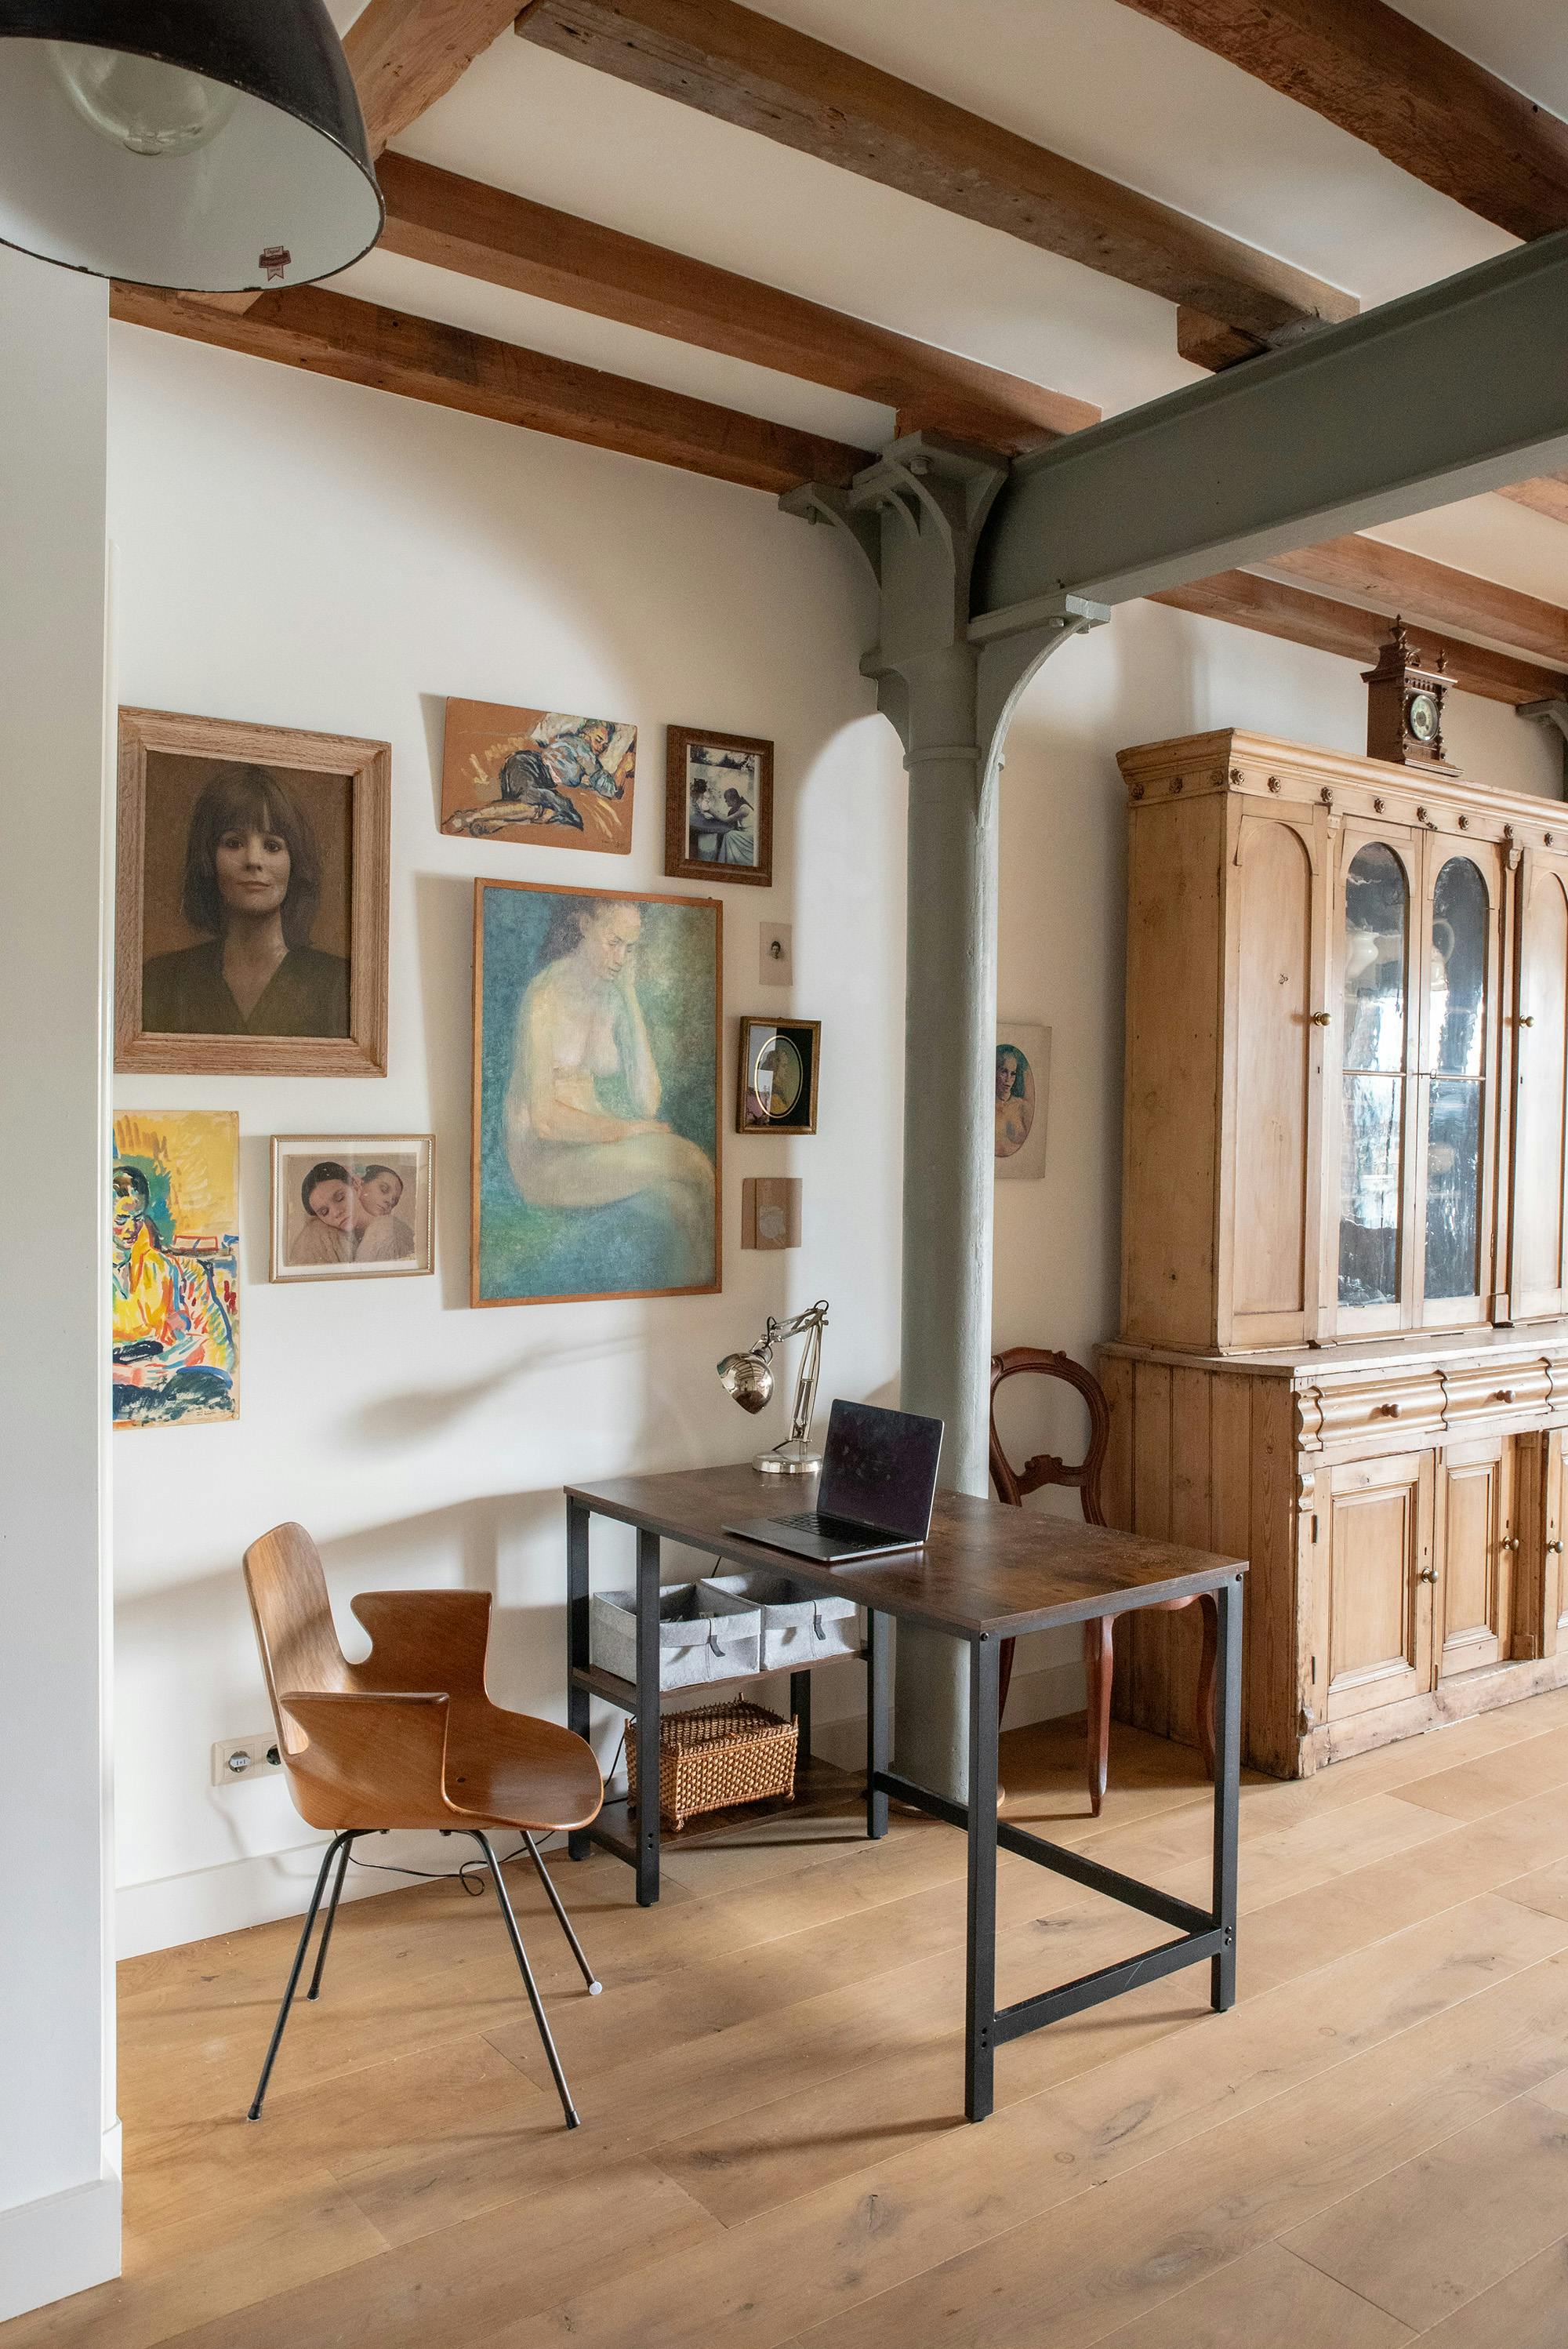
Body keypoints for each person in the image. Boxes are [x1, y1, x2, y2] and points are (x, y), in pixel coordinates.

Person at [503, 896, 713, 1283]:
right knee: (694, 1162)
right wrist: (628, 1131)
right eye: (613, 942)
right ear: (585, 926)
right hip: (546, 1159)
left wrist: (630, 998)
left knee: (682, 1206)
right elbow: (544, 1121)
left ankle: (703, 1297)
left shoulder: (613, 994)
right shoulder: (545, 997)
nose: (620, 958)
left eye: (630, 948)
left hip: (597, 1146)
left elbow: (647, 1102)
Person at [140, 764, 349, 1038]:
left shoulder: (338, 984)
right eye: (234, 843)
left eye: (272, 846)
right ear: (208, 859)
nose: (253, 860)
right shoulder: (161, 981)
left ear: (295, 862)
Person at [112, 1163, 234, 1422]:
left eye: (138, 1218)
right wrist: (133, 1376)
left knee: (213, 1393)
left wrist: (181, 1330)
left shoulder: (162, 1267)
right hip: (118, 1381)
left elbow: (201, 1333)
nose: (131, 1229)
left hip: (159, 1370)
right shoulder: (89, 1276)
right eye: (121, 1220)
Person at [290, 1160, 357, 1265]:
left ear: (355, 1186)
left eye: (340, 1198)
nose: (336, 1212)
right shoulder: (318, 1241)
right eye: (324, 1212)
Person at [354, 1163, 416, 1262]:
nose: (390, 1201)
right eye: (384, 1189)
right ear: (360, 1184)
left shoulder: (387, 1230)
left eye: (395, 1201)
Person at [996, 1046, 1033, 1159]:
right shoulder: (984, 1108)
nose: (1008, 1079)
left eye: (1013, 1074)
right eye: (1004, 1072)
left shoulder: (1023, 1107)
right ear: (995, 1072)